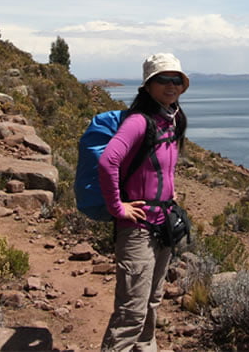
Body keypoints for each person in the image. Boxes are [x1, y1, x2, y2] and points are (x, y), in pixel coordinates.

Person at [99, 53, 189, 351]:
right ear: (148, 85)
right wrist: (117, 207)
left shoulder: (173, 119)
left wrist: (170, 194)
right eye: (163, 79)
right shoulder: (139, 121)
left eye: (176, 80)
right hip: (137, 228)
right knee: (131, 312)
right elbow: (108, 162)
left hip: (163, 225)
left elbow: (163, 167)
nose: (171, 85)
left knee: (152, 301)